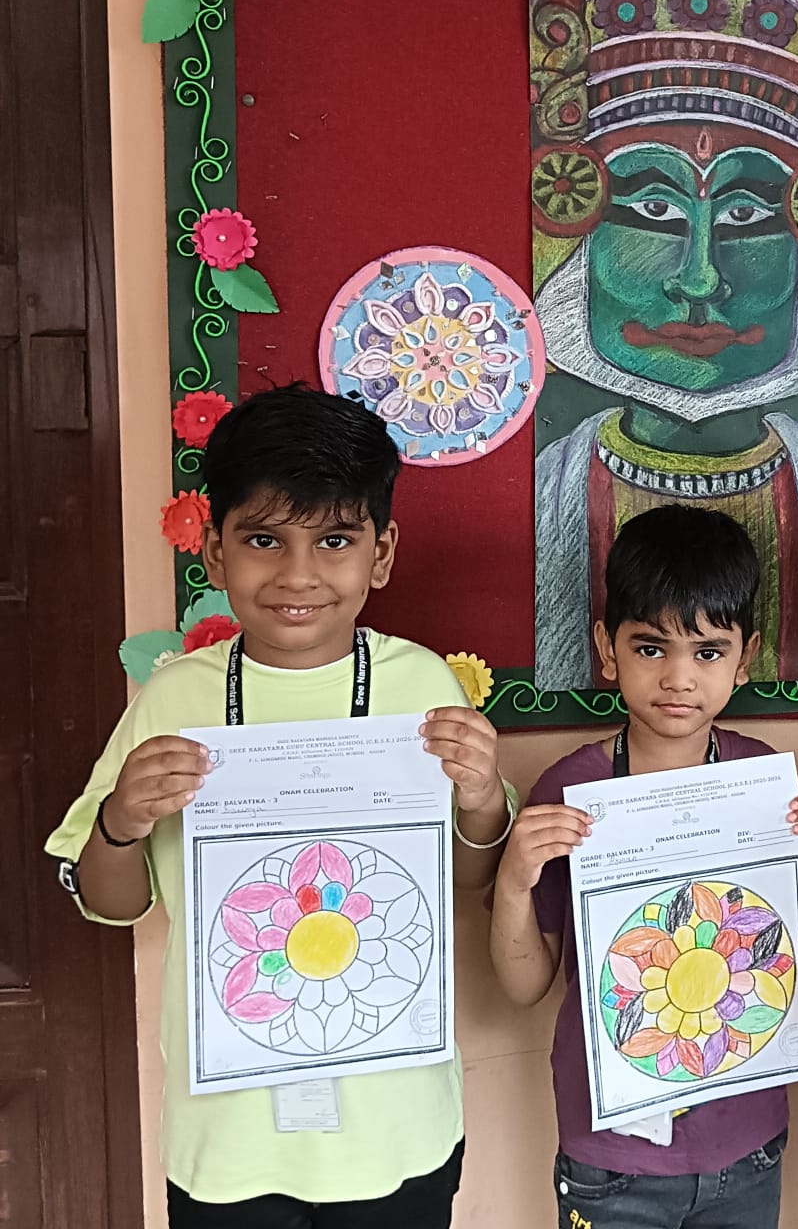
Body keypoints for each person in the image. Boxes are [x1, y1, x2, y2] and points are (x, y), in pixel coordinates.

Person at [45, 385, 513, 1228]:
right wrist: (120, 821)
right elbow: (112, 904)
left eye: (335, 540)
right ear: (215, 553)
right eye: (264, 540)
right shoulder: (173, 700)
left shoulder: (420, 685)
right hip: (230, 1133)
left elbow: (468, 879)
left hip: (393, 1122)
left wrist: (480, 798)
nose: (298, 575)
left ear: (381, 552)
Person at [489, 503, 798, 1229]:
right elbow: (526, 984)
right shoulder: (570, 792)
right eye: (651, 648)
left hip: (747, 1138)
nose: (680, 678)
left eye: (709, 652)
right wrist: (512, 880)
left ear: (745, 657)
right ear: (608, 648)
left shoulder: (763, 782)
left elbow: (781, 947)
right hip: (611, 1154)